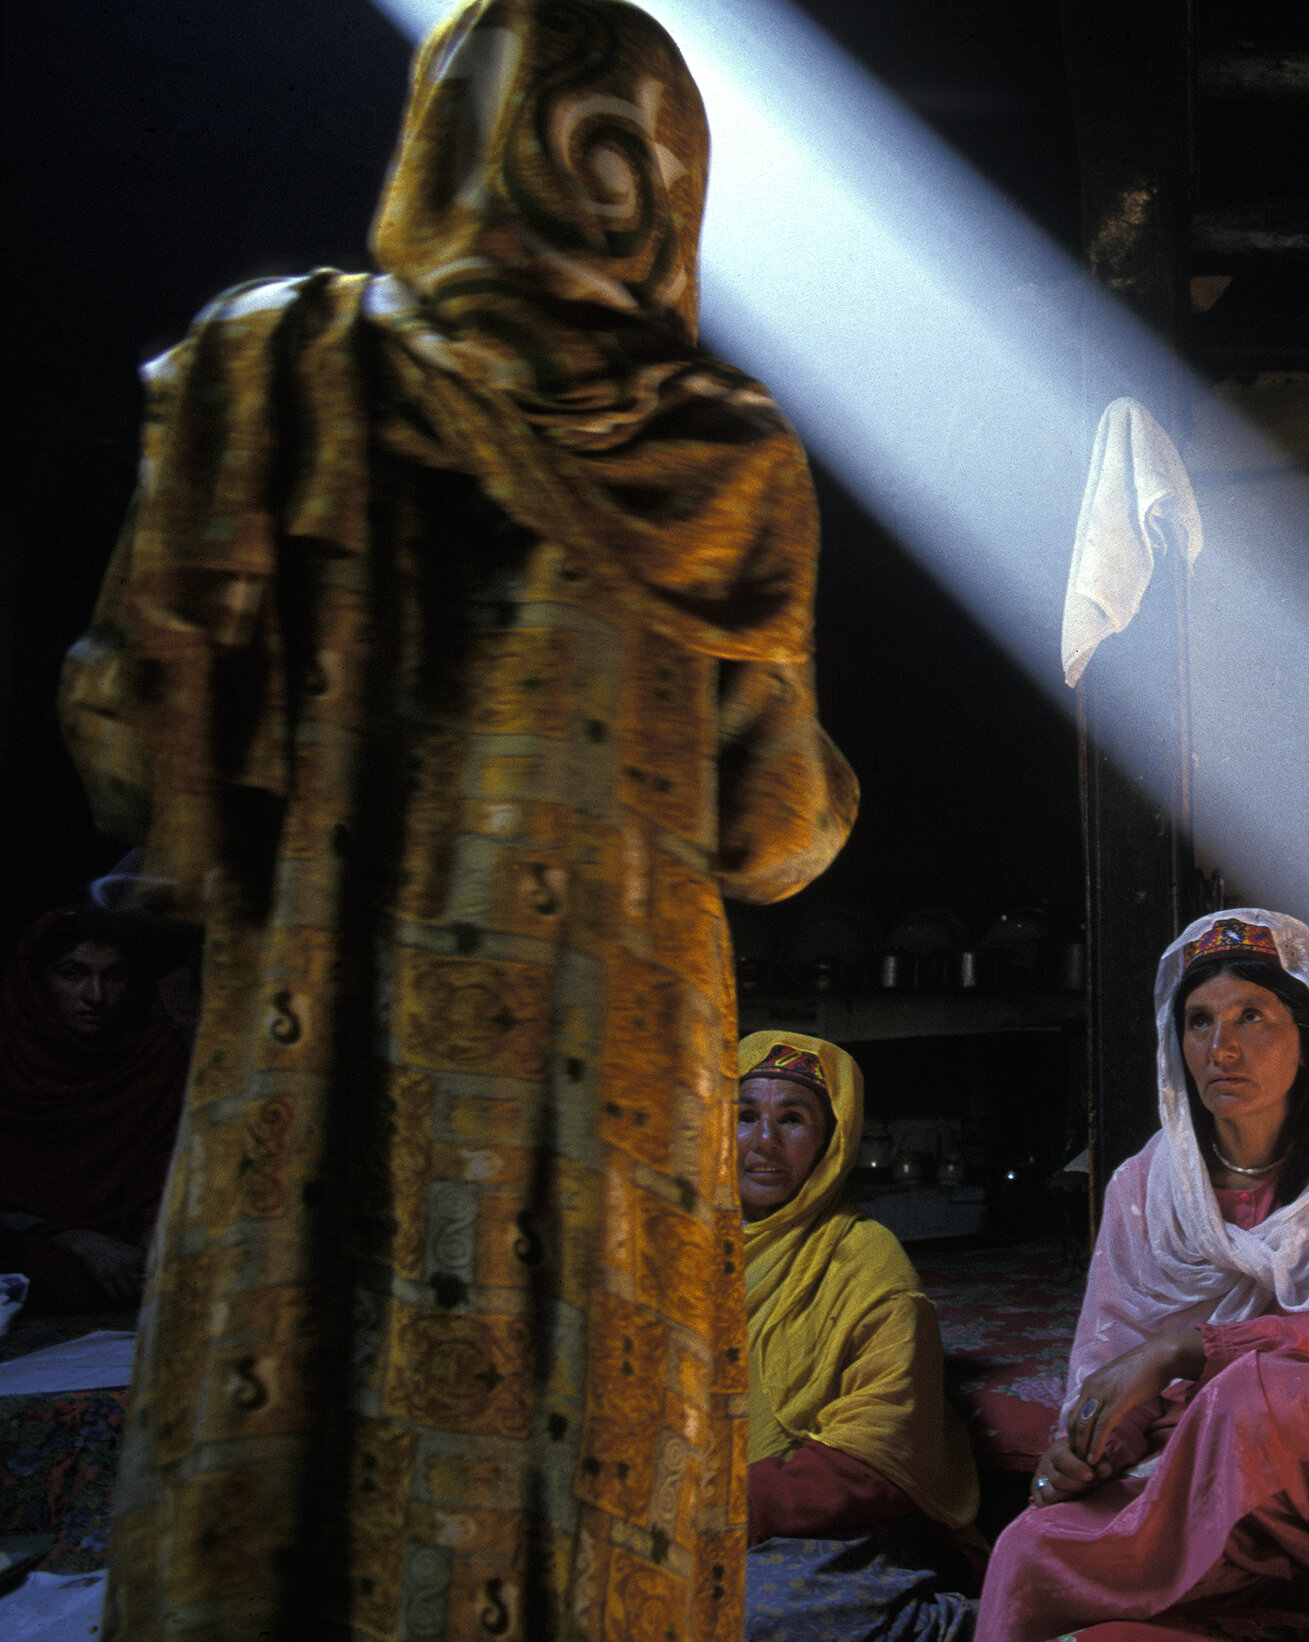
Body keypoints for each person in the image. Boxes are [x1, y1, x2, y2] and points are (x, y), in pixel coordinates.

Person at [57, 4, 852, 1635]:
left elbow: (131, 743)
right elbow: (773, 828)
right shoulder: (723, 460)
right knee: (595, 1440)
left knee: (316, 1432)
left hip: (335, 1049)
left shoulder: (269, 372)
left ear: (448, 135)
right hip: (606, 1075)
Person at [976, 911, 1309, 1642]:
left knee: (1256, 1391)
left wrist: (1182, 1349)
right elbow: (1114, 1361)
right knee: (1028, 1548)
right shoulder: (1147, 1185)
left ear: (1308, 1038)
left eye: (1252, 1017)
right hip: (1188, 1468)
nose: (1221, 1048)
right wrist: (1095, 1444)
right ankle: (1235, 1593)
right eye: (1199, 1022)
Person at [737, 1032, 981, 1642]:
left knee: (743, 1614)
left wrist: (726, 1506)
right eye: (744, 1116)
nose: (764, 1141)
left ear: (831, 1142)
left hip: (838, 1520)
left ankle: (945, 1624)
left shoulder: (867, 1262)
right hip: (704, 1509)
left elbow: (879, 1458)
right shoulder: (682, 1248)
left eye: (792, 1119)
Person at [0, 907, 189, 1314]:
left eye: (114, 975)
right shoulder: (8, 1052)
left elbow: (170, 1165)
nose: (96, 996)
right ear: (36, 980)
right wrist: (72, 1239)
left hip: (130, 1255)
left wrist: (158, 1229)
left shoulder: (152, 1055)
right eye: (73, 974)